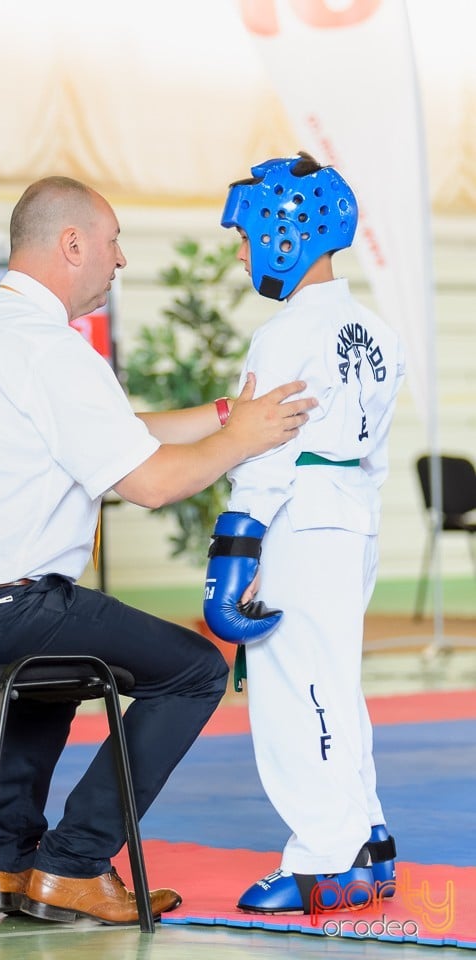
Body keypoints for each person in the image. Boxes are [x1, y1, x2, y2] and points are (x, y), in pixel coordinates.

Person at [0, 175, 317, 926]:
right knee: (194, 671)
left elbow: (116, 425)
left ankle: (5, 862)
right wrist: (242, 439)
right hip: (8, 612)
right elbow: (152, 483)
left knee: (55, 671)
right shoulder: (50, 351)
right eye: (115, 240)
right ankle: (75, 865)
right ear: (72, 244)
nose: (121, 260)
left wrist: (224, 412)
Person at [203, 153, 406, 916]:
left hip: (295, 510)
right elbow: (378, 455)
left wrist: (236, 547)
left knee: (299, 688)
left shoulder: (286, 333)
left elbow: (265, 446)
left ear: (285, 232)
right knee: (334, 681)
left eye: (247, 234)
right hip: (352, 513)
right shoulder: (381, 334)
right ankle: (366, 836)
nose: (241, 250)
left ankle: (329, 858)